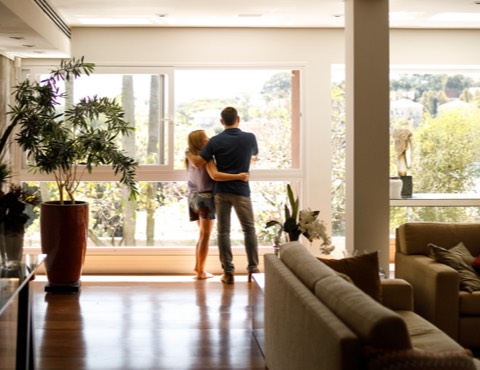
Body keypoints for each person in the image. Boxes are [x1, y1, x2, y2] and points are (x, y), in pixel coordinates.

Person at [187, 107, 259, 284]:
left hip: (220, 192)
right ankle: (253, 270)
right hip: (241, 191)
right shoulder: (250, 138)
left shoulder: (214, 141)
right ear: (238, 119)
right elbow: (254, 156)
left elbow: (199, 162)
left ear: (221, 121)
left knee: (223, 233)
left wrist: (188, 152)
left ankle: (228, 273)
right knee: (249, 230)